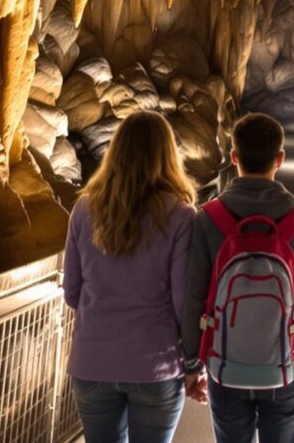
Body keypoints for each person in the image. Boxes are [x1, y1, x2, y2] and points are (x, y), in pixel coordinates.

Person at [182, 113, 294, 442]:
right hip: (288, 361)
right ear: (280, 158)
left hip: (224, 361)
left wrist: (192, 362)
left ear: (233, 157)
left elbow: (193, 298)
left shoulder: (208, 219)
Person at [62, 111, 196, 443]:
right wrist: (196, 365)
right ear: (168, 155)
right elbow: (184, 303)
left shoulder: (84, 210)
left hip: (93, 362)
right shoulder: (180, 216)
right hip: (155, 364)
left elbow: (71, 291)